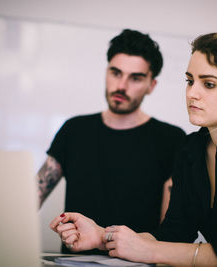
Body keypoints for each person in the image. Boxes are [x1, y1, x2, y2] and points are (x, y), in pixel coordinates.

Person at [50, 28, 217, 266]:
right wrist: (101, 236)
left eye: (208, 84)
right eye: (190, 80)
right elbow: (171, 236)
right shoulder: (192, 148)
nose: (192, 93)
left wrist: (151, 252)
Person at [38, 29, 186, 253]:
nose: (122, 86)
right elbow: (31, 198)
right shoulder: (74, 130)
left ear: (151, 85)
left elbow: (171, 233)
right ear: (106, 72)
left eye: (135, 78)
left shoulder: (171, 139)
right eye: (116, 73)